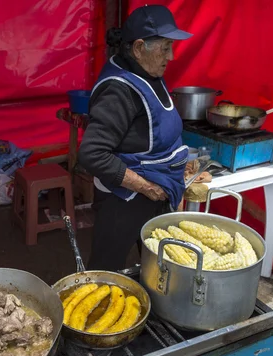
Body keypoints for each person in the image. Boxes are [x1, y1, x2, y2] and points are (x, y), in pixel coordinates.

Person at [78, 5, 193, 271]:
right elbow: (92, 153)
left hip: (156, 194)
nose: (171, 56)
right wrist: (147, 188)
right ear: (139, 48)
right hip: (125, 200)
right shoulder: (118, 90)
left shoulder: (148, 70)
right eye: (165, 48)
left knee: (160, 267)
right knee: (105, 271)